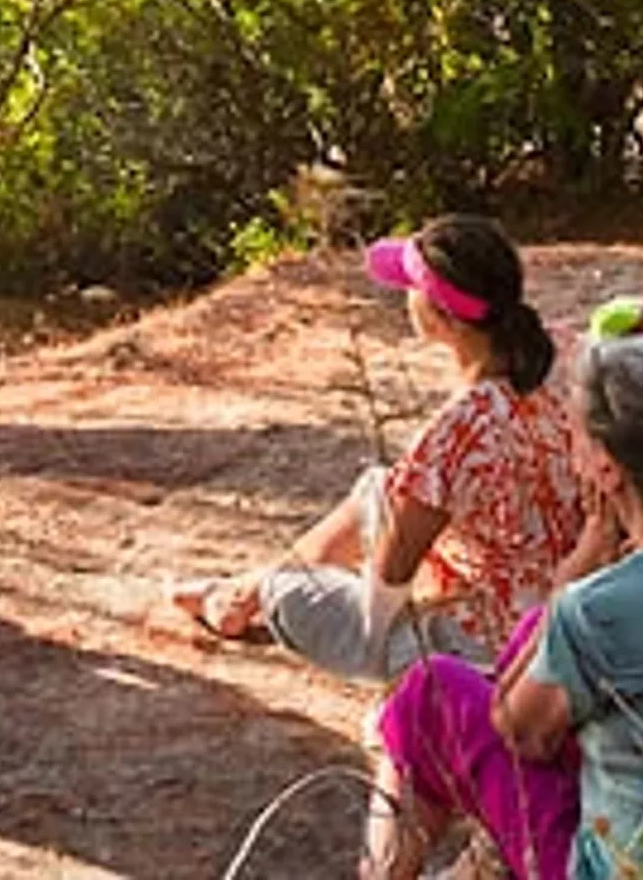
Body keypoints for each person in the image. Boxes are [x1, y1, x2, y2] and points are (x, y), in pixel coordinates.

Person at [366, 337, 643, 880]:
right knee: (541, 643)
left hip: (623, 866)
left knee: (428, 693)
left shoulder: (595, 608)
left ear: (605, 468)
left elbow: (518, 731)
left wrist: (566, 583)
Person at [170, 216, 590, 681]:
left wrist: (367, 635)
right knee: (381, 488)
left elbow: (392, 574)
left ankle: (253, 592)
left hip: (489, 646)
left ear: (439, 314)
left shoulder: (460, 427)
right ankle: (239, 591)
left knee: (288, 590)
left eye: (411, 287)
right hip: (567, 598)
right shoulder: (564, 353)